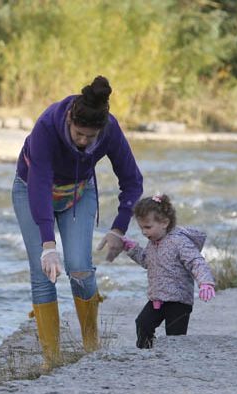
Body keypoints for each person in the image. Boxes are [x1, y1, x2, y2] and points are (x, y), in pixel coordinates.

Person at [12, 76, 143, 367]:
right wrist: (48, 244)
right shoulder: (46, 126)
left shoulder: (110, 131)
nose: (83, 141)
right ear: (69, 119)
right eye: (78, 134)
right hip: (31, 189)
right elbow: (40, 184)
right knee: (44, 271)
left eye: (90, 137)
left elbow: (133, 181)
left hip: (79, 192)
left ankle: (90, 346)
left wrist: (118, 229)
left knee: (80, 267)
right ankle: (52, 359)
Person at [118, 194, 216, 349]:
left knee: (175, 338)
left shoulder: (179, 242)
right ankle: (146, 354)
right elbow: (147, 261)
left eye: (147, 227)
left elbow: (196, 262)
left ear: (164, 223)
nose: (144, 232)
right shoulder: (153, 242)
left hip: (178, 301)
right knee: (142, 323)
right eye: (141, 227)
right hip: (157, 298)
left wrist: (205, 282)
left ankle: (175, 363)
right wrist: (132, 249)